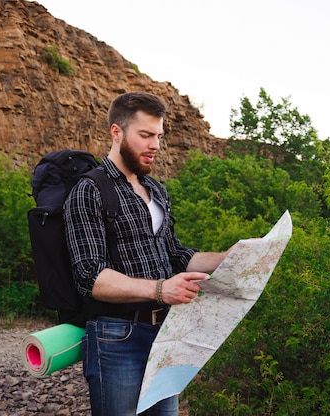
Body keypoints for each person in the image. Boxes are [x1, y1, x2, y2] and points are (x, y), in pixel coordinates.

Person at [63, 91, 229, 415]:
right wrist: (160, 289)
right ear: (117, 132)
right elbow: (89, 275)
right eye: (146, 135)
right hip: (116, 337)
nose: (155, 144)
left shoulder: (156, 190)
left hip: (164, 335)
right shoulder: (89, 189)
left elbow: (175, 254)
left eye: (159, 136)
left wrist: (227, 258)